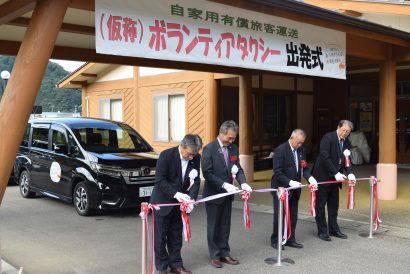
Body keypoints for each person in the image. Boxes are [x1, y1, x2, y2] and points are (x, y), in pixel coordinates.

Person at [202, 120, 252, 269]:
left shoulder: (233, 149)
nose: (231, 140)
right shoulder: (209, 149)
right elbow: (207, 173)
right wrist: (224, 185)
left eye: (234, 138)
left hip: (228, 195)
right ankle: (215, 255)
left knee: (225, 225)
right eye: (229, 137)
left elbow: (238, 168)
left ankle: (225, 252)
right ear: (221, 133)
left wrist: (243, 182)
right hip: (214, 194)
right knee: (213, 226)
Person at [150, 134, 203, 274]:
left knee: (176, 236)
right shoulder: (166, 156)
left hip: (181, 205)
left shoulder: (196, 157)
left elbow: (196, 180)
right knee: (160, 238)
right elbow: (160, 180)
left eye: (194, 155)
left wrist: (191, 199)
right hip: (163, 202)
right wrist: (176, 194)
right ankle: (162, 267)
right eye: (189, 154)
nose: (191, 158)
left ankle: (176, 265)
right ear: (182, 146)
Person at [270, 129, 318, 250]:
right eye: (298, 142)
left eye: (302, 143)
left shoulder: (301, 150)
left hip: (295, 189)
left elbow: (304, 168)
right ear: (292, 138)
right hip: (281, 188)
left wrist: (310, 178)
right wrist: (290, 182)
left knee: (293, 215)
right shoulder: (280, 150)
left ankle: (290, 238)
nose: (300, 145)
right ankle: (276, 239)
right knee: (280, 215)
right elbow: (277, 172)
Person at [312, 120, 356, 241]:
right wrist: (335, 173)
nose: (345, 133)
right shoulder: (328, 138)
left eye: (348, 132)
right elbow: (324, 157)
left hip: (336, 178)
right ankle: (322, 231)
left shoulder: (346, 141)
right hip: (322, 176)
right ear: (338, 127)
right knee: (320, 205)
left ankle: (334, 229)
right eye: (344, 130)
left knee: (333, 205)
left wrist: (350, 173)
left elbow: (347, 159)